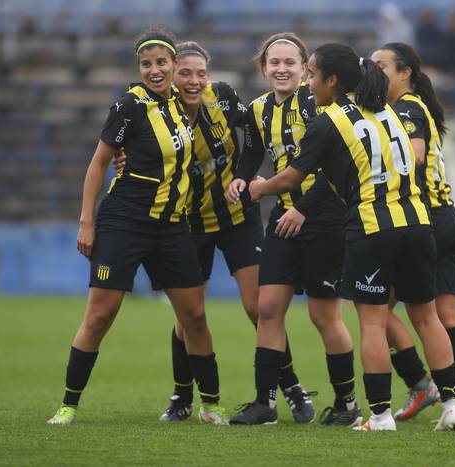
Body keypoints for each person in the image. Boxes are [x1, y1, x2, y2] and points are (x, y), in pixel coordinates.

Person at [249, 42, 455, 432]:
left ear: (332, 80)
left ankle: (379, 415)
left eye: (312, 74)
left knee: (374, 323)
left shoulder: (328, 121)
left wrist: (260, 189)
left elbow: (292, 178)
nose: (309, 82)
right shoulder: (389, 111)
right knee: (427, 318)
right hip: (417, 222)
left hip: (371, 227)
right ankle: (452, 405)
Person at [114, 41, 310, 422]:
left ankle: (291, 387)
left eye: (200, 73)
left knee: (259, 308)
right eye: (184, 72)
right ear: (171, 72)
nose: (193, 80)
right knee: (189, 315)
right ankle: (182, 396)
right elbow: (118, 146)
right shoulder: (152, 108)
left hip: (238, 217)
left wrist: (241, 176)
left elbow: (252, 134)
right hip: (186, 223)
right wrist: (122, 157)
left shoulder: (221, 97)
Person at [46, 29, 228, 426]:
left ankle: (211, 405)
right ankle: (68, 406)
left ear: (175, 67)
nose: (154, 70)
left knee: (194, 316)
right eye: (147, 64)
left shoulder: (183, 106)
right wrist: (86, 222)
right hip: (124, 223)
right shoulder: (130, 105)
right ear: (139, 68)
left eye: (162, 63)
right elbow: (98, 162)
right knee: (99, 317)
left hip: (171, 226)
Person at [226, 33, 361, 427]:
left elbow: (333, 166)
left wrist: (303, 208)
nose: (281, 69)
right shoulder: (257, 109)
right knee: (267, 308)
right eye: (274, 62)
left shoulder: (318, 104)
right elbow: (252, 150)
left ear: (305, 68)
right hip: (282, 219)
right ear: (262, 68)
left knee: (324, 315)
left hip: (324, 218)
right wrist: (239, 177)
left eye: (290, 62)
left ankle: (347, 404)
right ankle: (265, 404)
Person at [370, 42, 455, 422]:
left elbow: (414, 156)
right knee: (445, 312)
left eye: (381, 66)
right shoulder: (408, 107)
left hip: (423, 219)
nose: (374, 71)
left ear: (405, 73)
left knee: (376, 308)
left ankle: (421, 383)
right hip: (445, 216)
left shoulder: (405, 108)